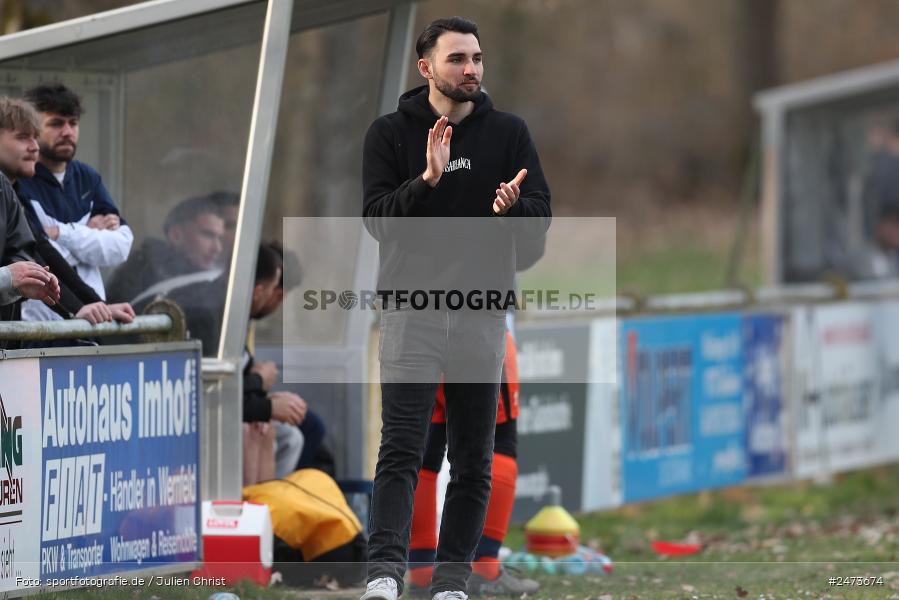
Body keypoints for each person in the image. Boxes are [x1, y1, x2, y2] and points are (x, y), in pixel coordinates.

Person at [360, 17, 550, 600]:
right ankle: (385, 577)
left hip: (482, 314)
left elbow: (537, 240)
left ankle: (451, 584)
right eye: (456, 59)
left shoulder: (510, 134)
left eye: (476, 58)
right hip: (411, 313)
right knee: (401, 449)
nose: (470, 69)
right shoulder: (390, 133)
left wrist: (513, 211)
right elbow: (375, 222)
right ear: (427, 69)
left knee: (475, 459)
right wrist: (427, 180)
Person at [408, 330, 539, 597]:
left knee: (424, 453)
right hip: (476, 329)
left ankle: (421, 572)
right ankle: (484, 568)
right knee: (500, 442)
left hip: (419, 332)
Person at [0, 96, 131, 328]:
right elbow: (36, 256)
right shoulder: (14, 189)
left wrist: (90, 304)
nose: (34, 146)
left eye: (34, 136)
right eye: (22, 137)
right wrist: (9, 277)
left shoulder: (12, 191)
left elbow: (41, 252)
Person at [106, 194, 225, 306]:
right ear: (176, 235)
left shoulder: (210, 276)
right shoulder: (142, 272)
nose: (217, 248)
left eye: (220, 238)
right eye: (208, 235)